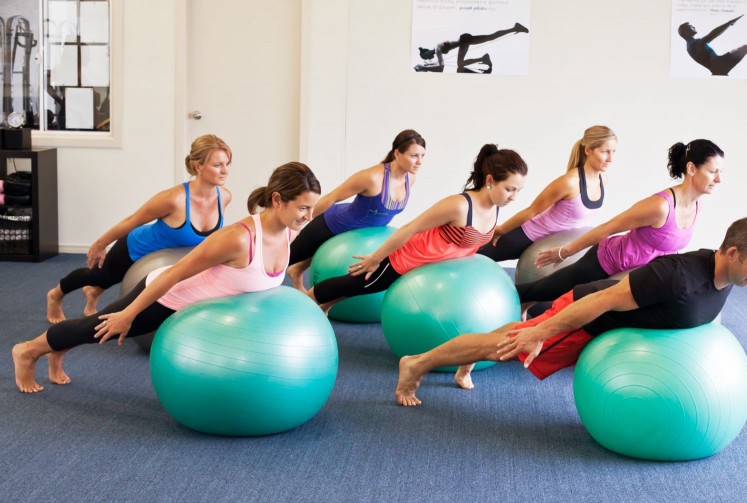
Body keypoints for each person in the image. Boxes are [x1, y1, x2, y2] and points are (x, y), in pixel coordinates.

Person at [395, 216, 747, 406]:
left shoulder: (727, 278)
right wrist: (538, 333)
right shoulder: (677, 275)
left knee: (506, 340)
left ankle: (468, 358)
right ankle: (417, 364)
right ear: (731, 253)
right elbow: (600, 301)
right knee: (509, 346)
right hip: (589, 317)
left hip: (612, 330)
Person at [13, 162, 321, 393]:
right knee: (96, 330)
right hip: (169, 298)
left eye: (311, 208)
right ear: (278, 200)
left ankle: (58, 351)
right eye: (303, 208)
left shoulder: (288, 233)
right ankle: (28, 351)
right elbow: (174, 273)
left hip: (211, 316)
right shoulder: (237, 239)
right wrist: (129, 314)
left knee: (91, 332)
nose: (308, 216)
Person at [455, 139, 724, 389]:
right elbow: (609, 227)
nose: (718, 179)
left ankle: (521, 317)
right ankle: (475, 350)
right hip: (605, 263)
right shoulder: (661, 206)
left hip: (628, 278)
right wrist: (564, 251)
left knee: (549, 305)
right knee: (540, 291)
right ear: (691, 168)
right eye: (713, 171)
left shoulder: (695, 206)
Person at [307, 144, 527, 312]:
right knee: (357, 284)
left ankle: (325, 306)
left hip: (431, 268)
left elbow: (476, 234)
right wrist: (375, 258)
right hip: (405, 258)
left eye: (518, 190)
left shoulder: (494, 207)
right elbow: (410, 229)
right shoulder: (459, 206)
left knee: (360, 287)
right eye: (510, 189)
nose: (514, 197)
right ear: (490, 180)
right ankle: (309, 299)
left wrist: (496, 233)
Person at [46, 134, 234, 323]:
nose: (225, 171)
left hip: (170, 261)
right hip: (138, 248)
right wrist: (100, 243)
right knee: (100, 276)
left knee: (108, 282)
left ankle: (93, 292)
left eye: (227, 164)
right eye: (217, 165)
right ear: (198, 166)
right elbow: (132, 220)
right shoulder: (173, 199)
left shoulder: (224, 197)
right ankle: (56, 294)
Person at [287, 130, 426, 292]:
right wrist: (298, 222)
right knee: (284, 258)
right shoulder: (372, 177)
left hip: (362, 238)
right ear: (397, 153)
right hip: (333, 224)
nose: (419, 161)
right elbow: (332, 197)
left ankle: (297, 271)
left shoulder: (410, 179)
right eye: (414, 156)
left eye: (423, 156)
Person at [477, 125, 615, 262]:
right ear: (588, 150)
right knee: (476, 256)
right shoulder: (569, 182)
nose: (610, 159)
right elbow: (532, 211)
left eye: (613, 151)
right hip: (527, 237)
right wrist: (500, 230)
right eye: (605, 152)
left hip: (554, 247)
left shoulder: (603, 180)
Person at [678, 16, 747, 76]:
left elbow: (710, 37)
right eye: (690, 26)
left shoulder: (692, 44)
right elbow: (711, 35)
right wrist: (728, 23)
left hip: (719, 67)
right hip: (719, 66)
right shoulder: (692, 44)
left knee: (745, 48)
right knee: (746, 48)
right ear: (685, 32)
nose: (693, 26)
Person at [415, 23, 529, 73]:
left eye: (427, 58)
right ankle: (515, 28)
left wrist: (425, 68)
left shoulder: (438, 48)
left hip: (464, 40)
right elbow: (439, 65)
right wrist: (428, 66)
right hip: (465, 39)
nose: (429, 59)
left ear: (426, 54)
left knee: (460, 65)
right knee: (490, 37)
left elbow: (441, 68)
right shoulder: (437, 47)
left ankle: (483, 59)